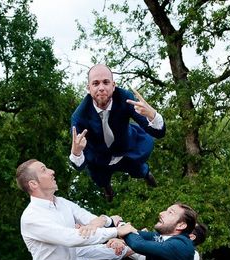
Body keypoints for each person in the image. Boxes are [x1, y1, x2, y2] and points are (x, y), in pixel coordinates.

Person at [70, 64, 166, 201]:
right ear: (88, 88)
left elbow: (158, 133)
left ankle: (146, 174)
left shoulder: (125, 97)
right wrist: (76, 153)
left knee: (137, 168)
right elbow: (78, 164)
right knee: (100, 177)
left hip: (126, 146)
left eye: (106, 82)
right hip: (99, 156)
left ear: (113, 85)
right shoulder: (79, 117)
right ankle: (107, 187)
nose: (101, 88)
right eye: (96, 83)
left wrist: (153, 116)